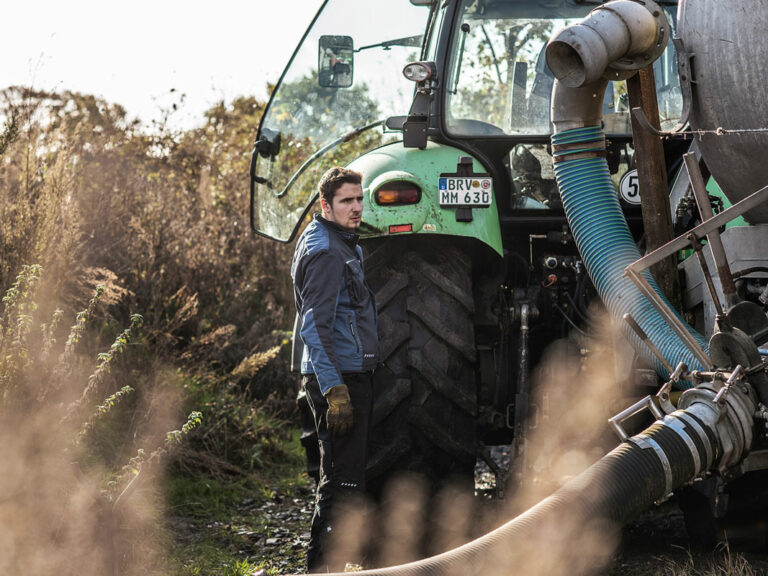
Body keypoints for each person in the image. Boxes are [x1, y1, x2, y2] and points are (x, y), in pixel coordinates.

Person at [291, 166, 379, 572]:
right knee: (340, 482)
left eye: (360, 198)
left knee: (345, 478)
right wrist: (334, 390)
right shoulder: (326, 250)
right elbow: (314, 324)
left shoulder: (341, 243)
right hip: (338, 377)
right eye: (347, 200)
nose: (357, 207)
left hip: (347, 370)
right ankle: (320, 568)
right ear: (325, 205)